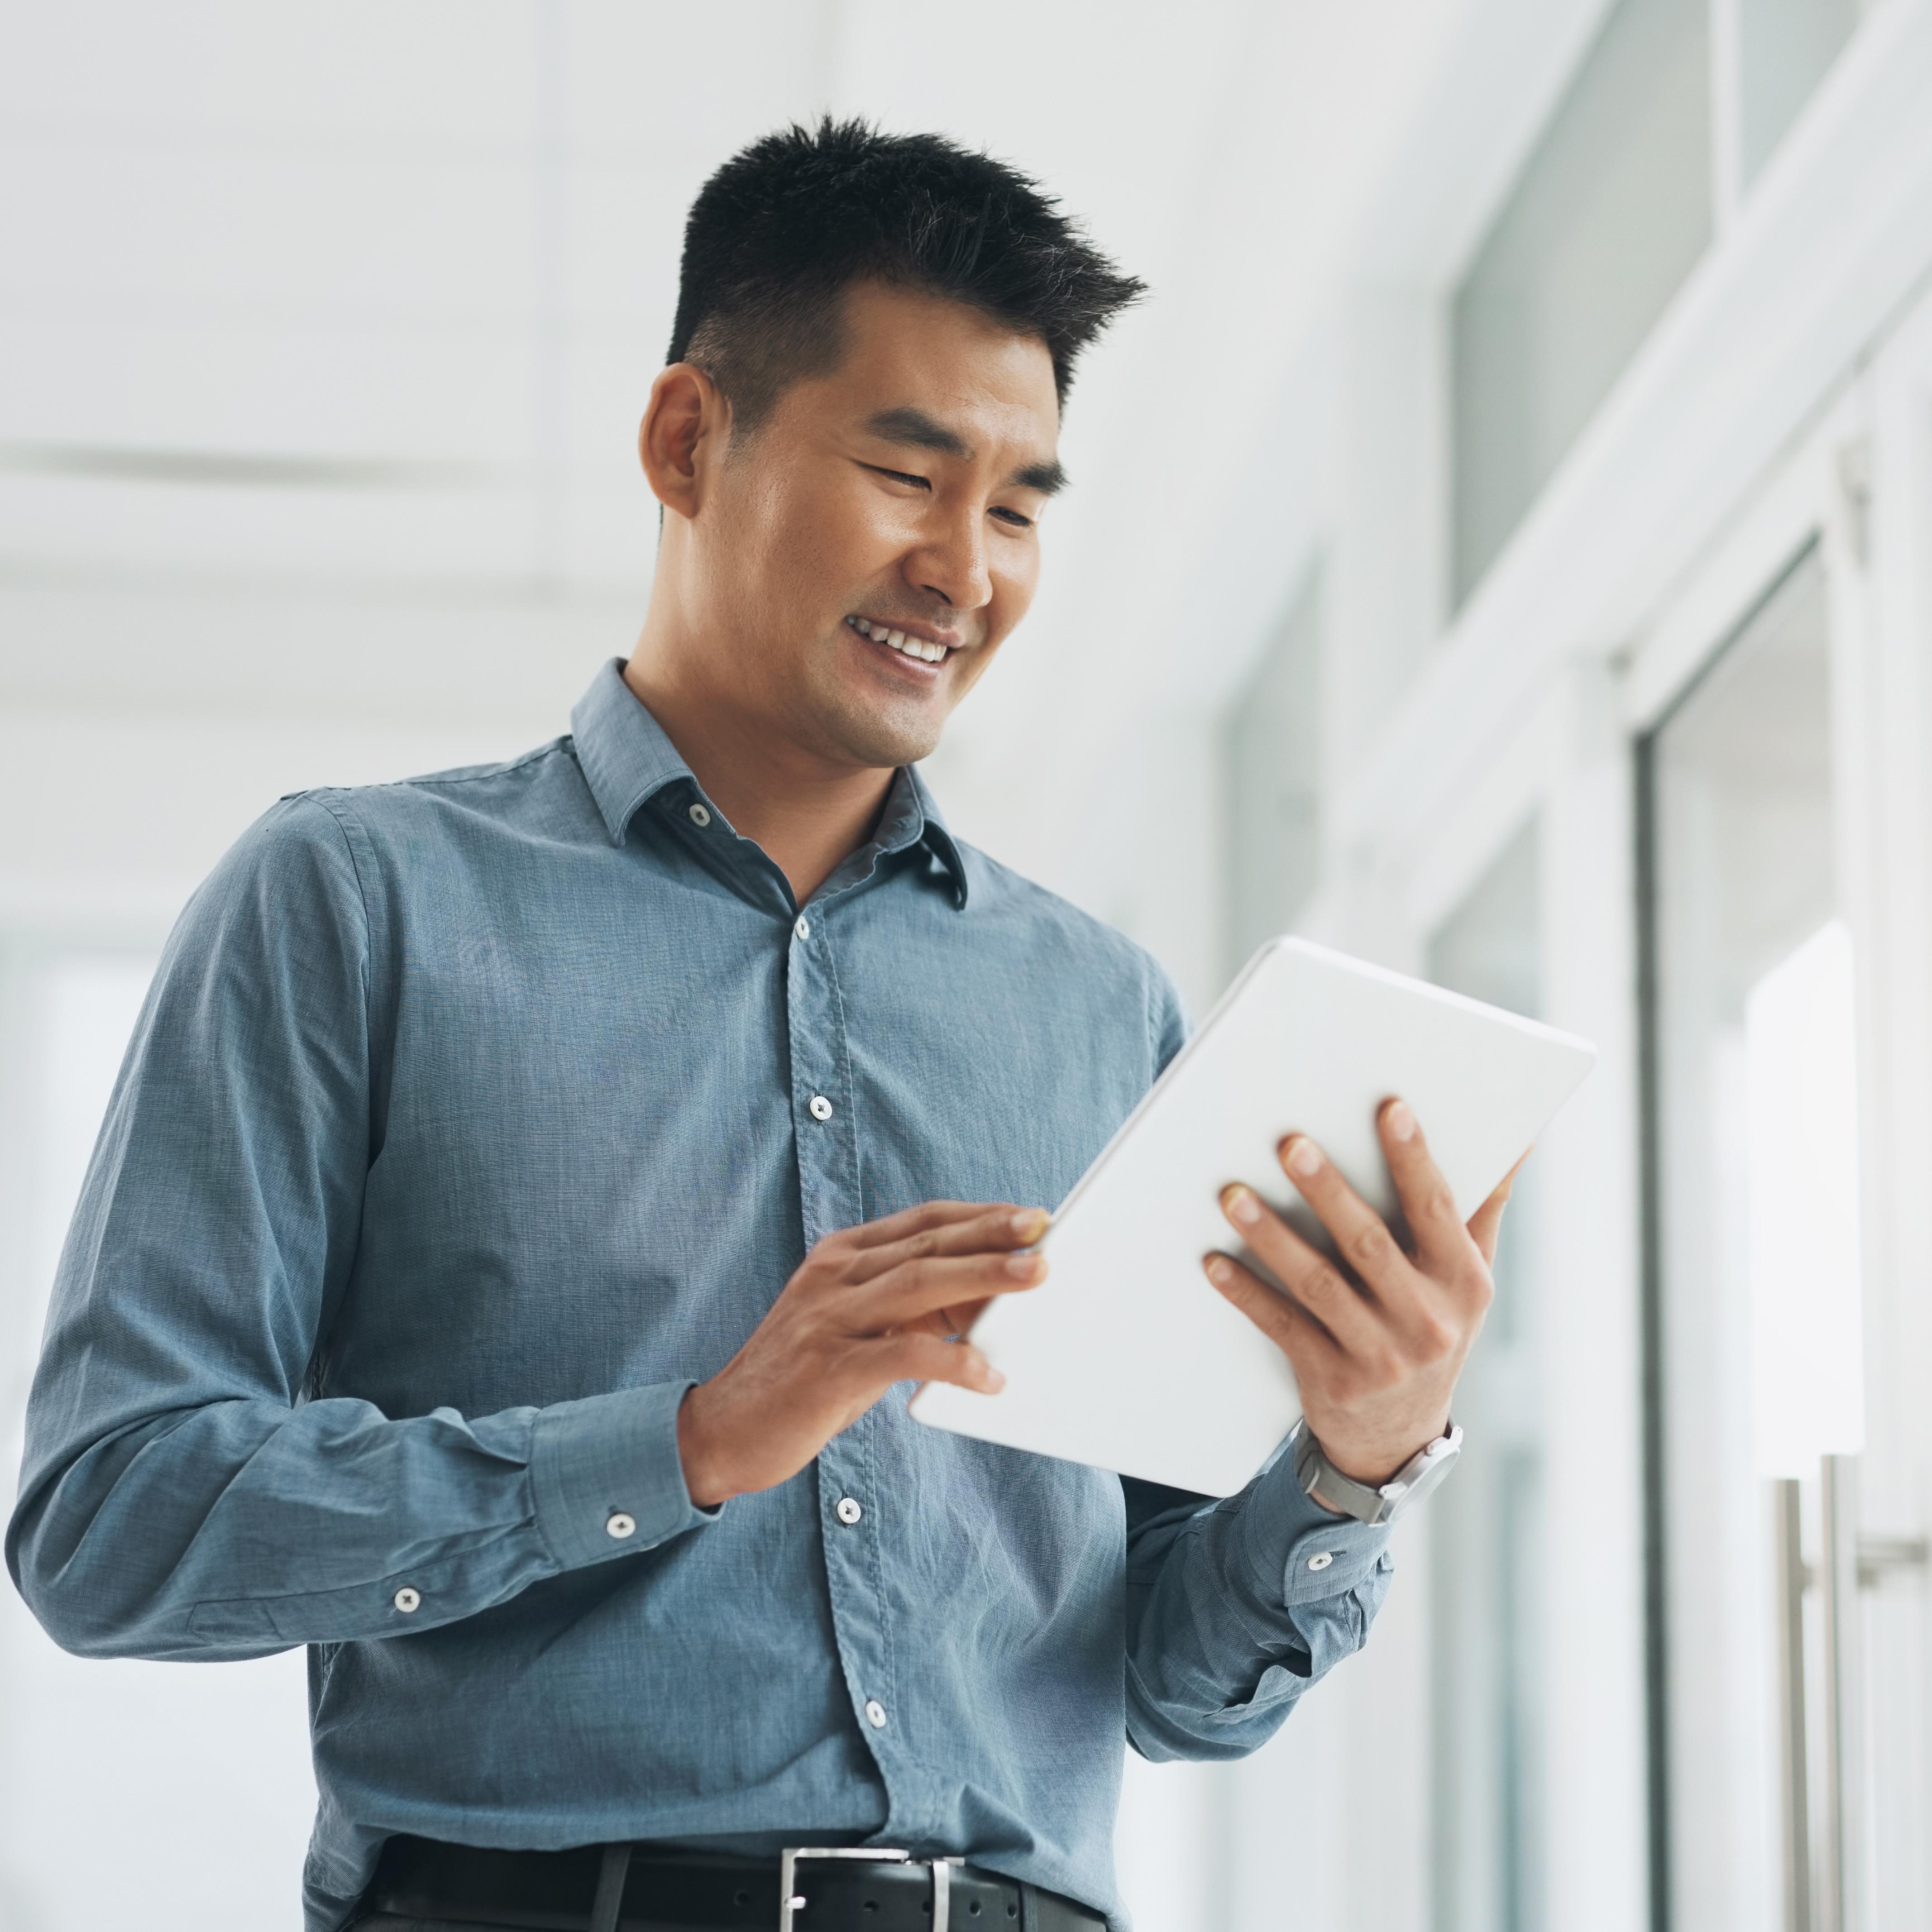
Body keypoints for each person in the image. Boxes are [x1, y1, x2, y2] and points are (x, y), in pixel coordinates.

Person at [7, 120, 1510, 1932]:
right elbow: (113, 1523)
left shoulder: (1097, 1002)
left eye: (1019, 502)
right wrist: (695, 1436)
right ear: (683, 441)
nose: (966, 567)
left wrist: (1355, 1451)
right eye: (906, 471)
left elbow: (1165, 1685)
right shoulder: (354, 897)